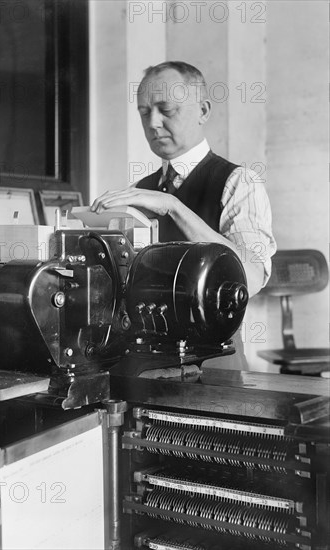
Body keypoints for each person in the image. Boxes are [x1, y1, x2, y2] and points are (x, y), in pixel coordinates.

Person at [91, 61, 276, 369]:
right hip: (145, 365)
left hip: (215, 364)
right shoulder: (140, 190)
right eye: (144, 111)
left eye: (167, 109)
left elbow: (252, 278)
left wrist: (173, 207)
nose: (153, 122)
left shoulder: (238, 183)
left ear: (203, 111)